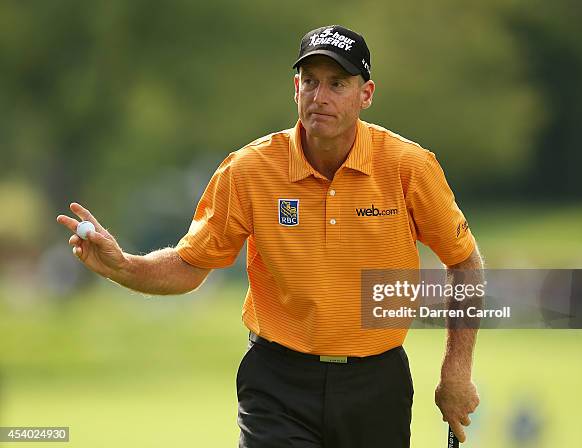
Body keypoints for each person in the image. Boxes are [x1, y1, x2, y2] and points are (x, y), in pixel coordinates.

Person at [57, 25, 482, 448]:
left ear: (366, 94)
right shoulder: (249, 170)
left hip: (376, 383)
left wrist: (456, 372)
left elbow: (463, 261)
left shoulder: (408, 167)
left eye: (337, 84)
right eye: (311, 82)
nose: (321, 97)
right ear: (296, 88)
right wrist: (122, 266)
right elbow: (190, 266)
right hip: (278, 383)